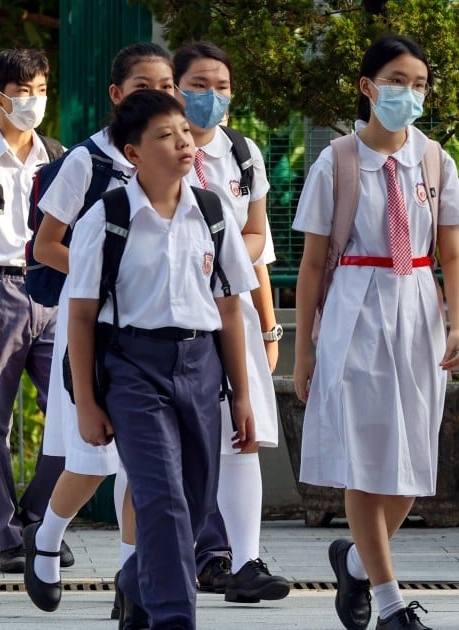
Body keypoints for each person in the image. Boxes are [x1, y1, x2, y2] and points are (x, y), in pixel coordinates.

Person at [293, 34, 459, 630]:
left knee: (413, 459)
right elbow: (313, 264)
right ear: (369, 87)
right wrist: (303, 355)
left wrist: (458, 325)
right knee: (367, 457)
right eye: (398, 81)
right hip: (357, 311)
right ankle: (391, 600)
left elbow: (451, 252)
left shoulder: (435, 160)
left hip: (419, 310)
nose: (410, 94)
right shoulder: (338, 160)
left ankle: (353, 559)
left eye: (420, 84)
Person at [68, 88, 256, 629]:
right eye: (165, 136)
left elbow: (230, 309)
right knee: (162, 497)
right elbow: (81, 318)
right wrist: (87, 402)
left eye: (183, 132)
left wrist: (241, 395)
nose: (182, 142)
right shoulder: (106, 219)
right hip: (132, 367)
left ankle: (134, 582)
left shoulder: (214, 212)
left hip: (201, 368)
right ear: (133, 153)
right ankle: (175, 618)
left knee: (195, 502)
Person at [25, 42, 175, 613]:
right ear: (117, 96)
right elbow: (45, 246)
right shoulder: (88, 162)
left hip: (152, 329)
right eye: (142, 86)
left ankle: (130, 582)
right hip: (91, 324)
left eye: (165, 84)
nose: (156, 94)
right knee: (91, 460)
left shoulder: (178, 162)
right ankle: (46, 539)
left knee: (144, 460)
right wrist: (109, 273)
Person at [172, 41, 290, 602]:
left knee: (244, 434)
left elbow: (258, 242)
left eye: (221, 86)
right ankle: (155, 562)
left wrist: (268, 326)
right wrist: (217, 247)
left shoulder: (243, 154)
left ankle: (246, 562)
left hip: (233, 311)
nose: (211, 97)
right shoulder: (155, 149)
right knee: (172, 438)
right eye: (198, 85)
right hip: (170, 310)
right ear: (174, 88)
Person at [0, 48, 62, 571]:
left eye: (41, 90)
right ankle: (6, 536)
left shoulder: (59, 155)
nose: (33, 102)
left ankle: (36, 517)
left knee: (74, 418)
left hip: (53, 291)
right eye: (22, 91)